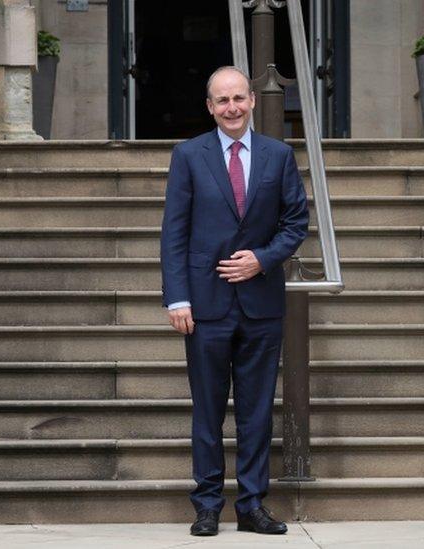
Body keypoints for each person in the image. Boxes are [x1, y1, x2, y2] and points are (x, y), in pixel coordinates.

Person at [160, 66, 309, 536]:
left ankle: (251, 504)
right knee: (207, 410)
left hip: (261, 305)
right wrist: (177, 297)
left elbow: (295, 224)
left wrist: (261, 260)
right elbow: (174, 233)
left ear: (252, 101)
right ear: (209, 107)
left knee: (257, 411)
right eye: (222, 100)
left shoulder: (278, 155)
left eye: (238, 98)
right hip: (204, 306)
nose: (231, 108)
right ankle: (207, 505)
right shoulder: (188, 155)